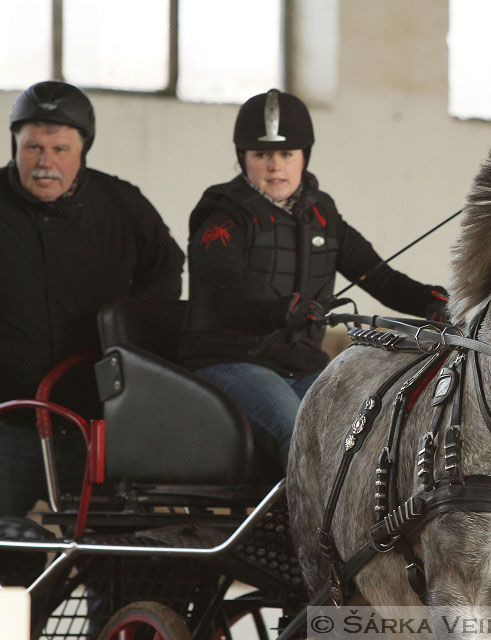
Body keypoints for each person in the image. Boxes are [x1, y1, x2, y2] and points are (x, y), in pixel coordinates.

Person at [179, 89, 447, 474]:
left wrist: (431, 301)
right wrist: (285, 310)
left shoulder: (321, 215)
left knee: (366, 433)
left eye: (286, 155)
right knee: (300, 432)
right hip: (230, 360)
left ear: (304, 156)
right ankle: (299, 535)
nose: (275, 167)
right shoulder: (222, 216)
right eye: (262, 155)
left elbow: (379, 277)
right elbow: (225, 299)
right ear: (243, 159)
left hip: (301, 365)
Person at [0, 81, 185, 581]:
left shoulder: (122, 205)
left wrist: (132, 343)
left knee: (110, 551)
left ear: (82, 151)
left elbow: (167, 265)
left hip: (97, 422)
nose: (45, 162)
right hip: (8, 420)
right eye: (33, 147)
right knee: (6, 551)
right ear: (14, 145)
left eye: (60, 149)